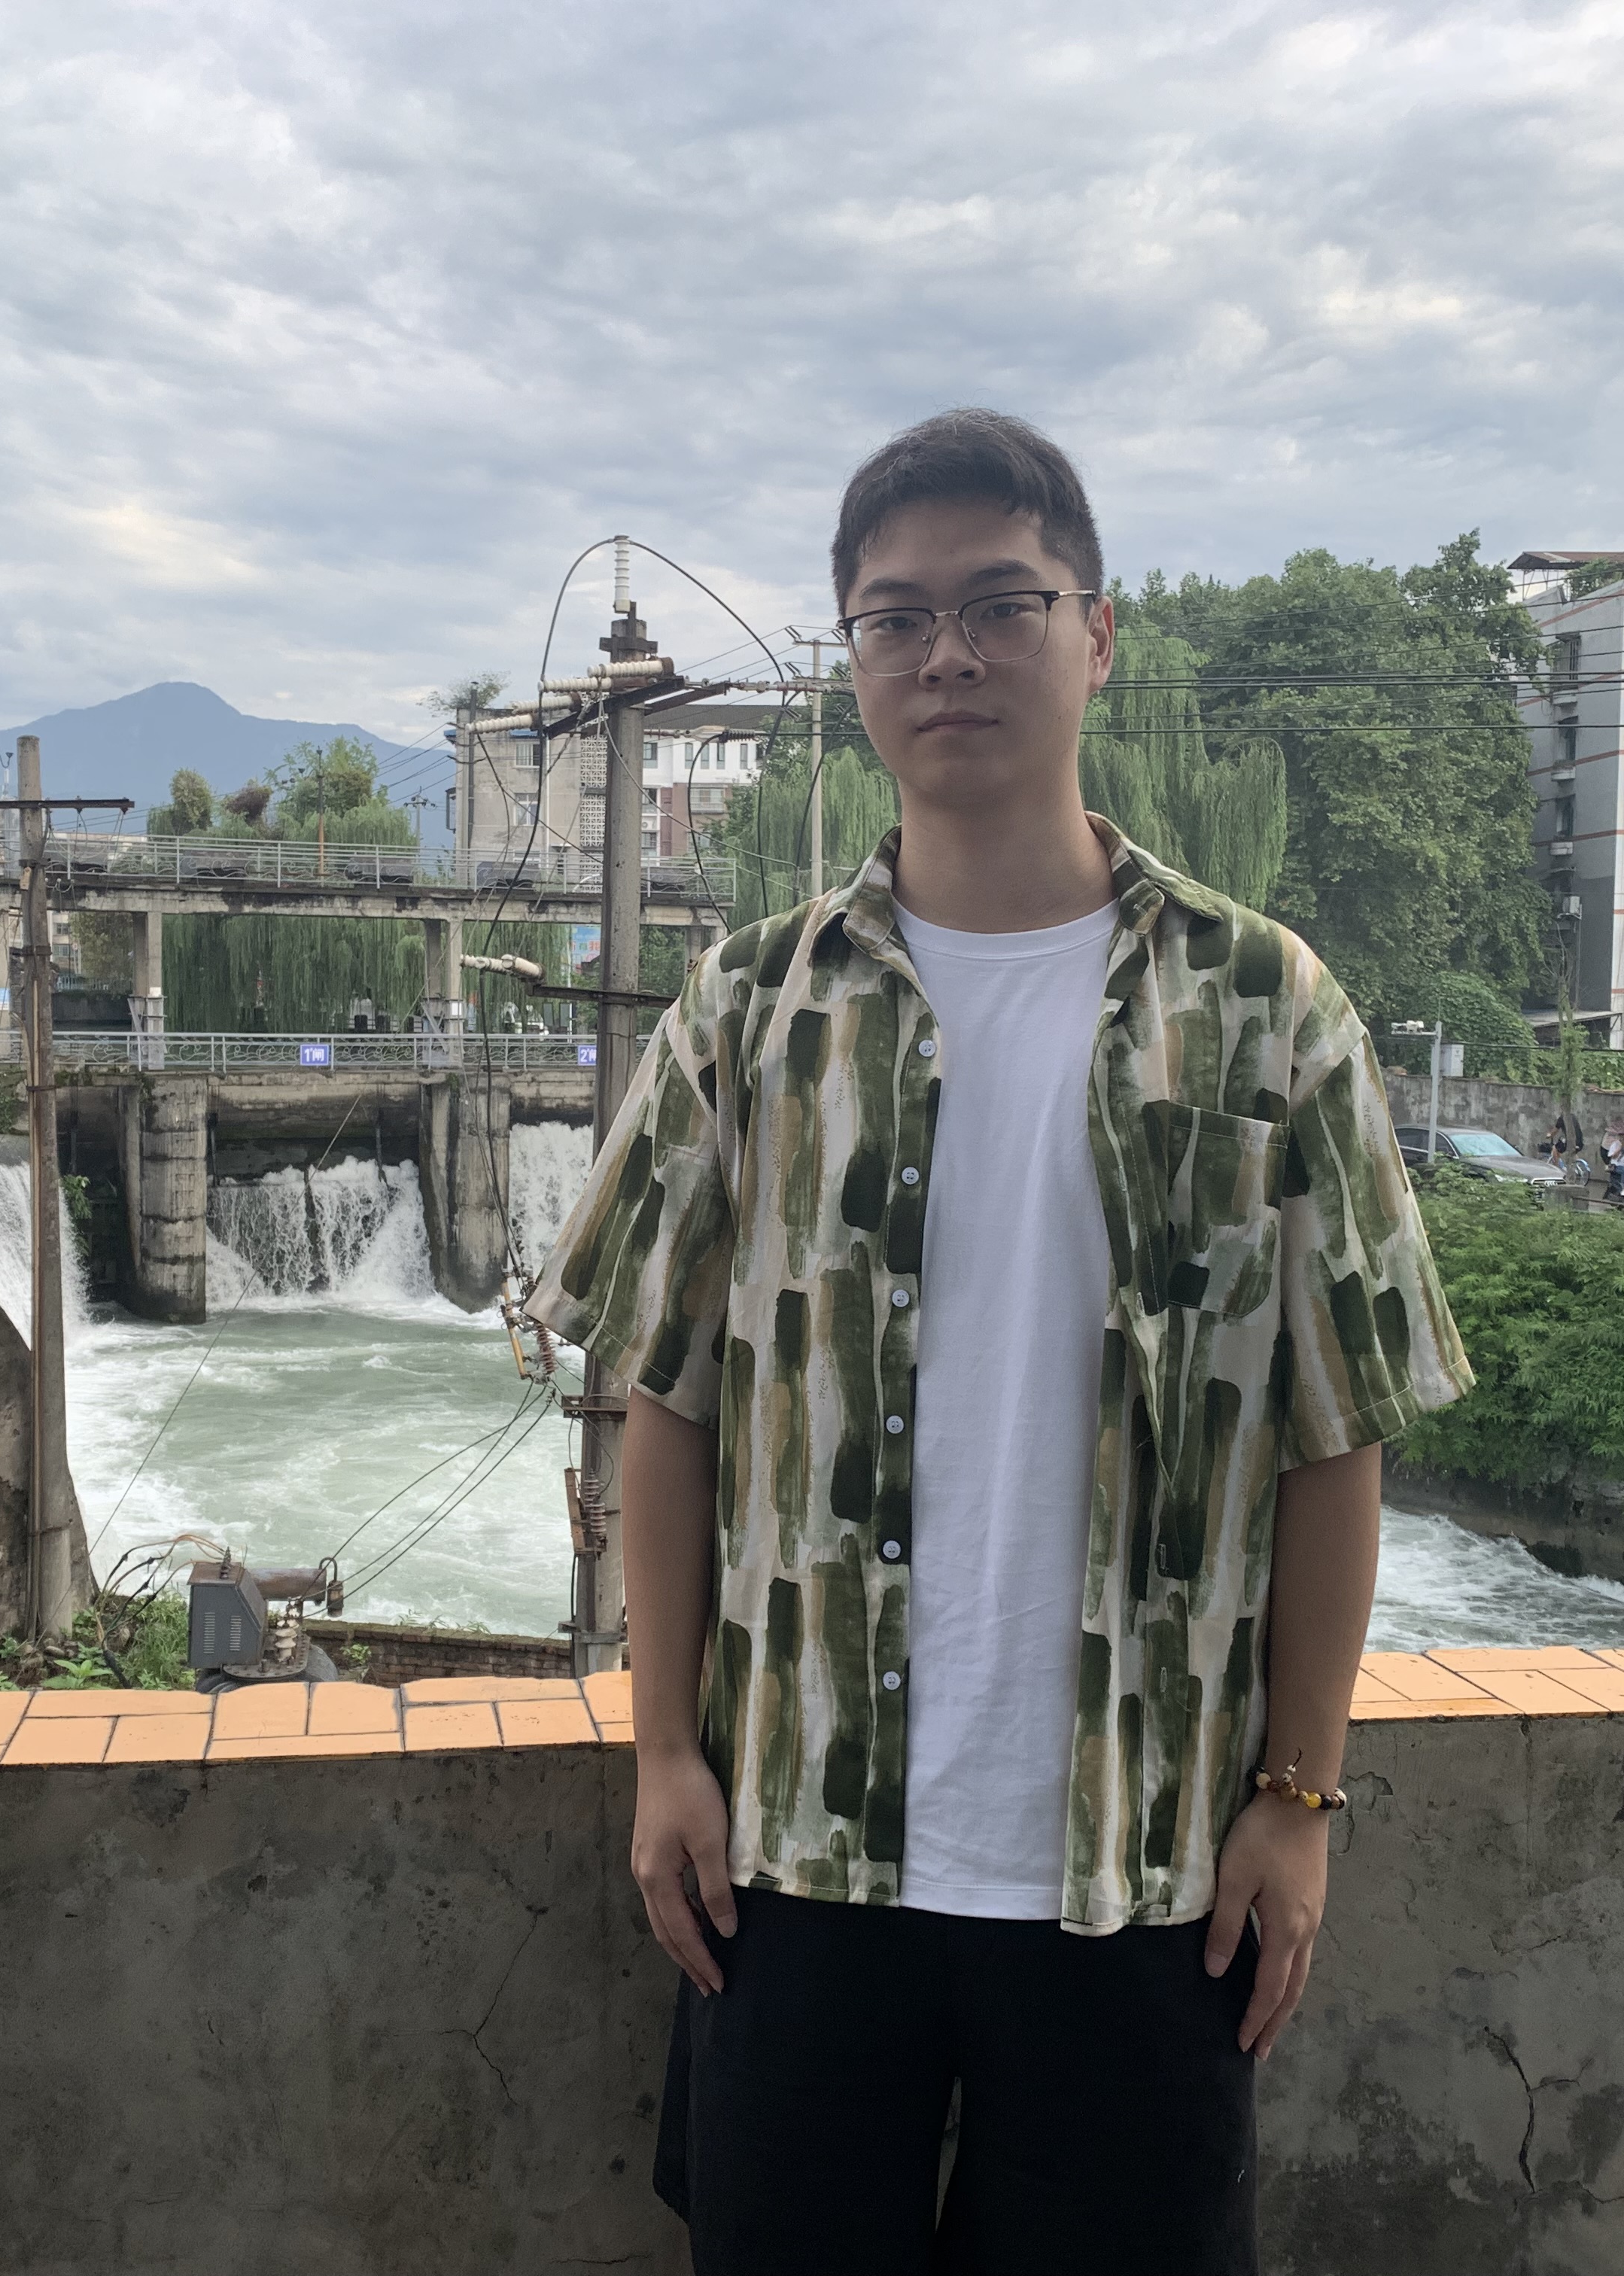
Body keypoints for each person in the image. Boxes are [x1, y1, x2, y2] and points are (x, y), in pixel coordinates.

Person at [528, 409, 1470, 2275]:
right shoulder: (752, 1005)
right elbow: (665, 1402)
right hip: (797, 1852)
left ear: (1096, 635)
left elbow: (1335, 1432)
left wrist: (1300, 1797)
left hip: (1148, 1867)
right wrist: (663, 1756)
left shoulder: (1268, 1009)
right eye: (896, 618)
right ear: (853, 665)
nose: (945, 653)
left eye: (999, 604)